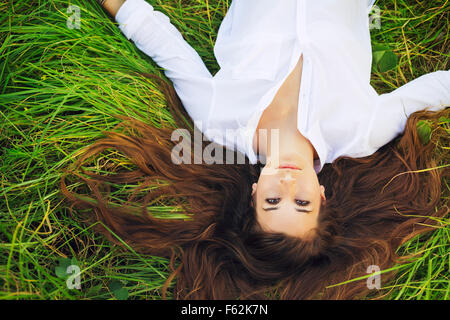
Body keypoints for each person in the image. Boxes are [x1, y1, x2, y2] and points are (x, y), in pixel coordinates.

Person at [60, 0, 450, 299]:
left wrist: (120, 6)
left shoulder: (218, 121)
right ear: (324, 197)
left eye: (273, 200)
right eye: (301, 204)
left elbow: (170, 51)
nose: (287, 184)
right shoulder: (361, 133)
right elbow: (435, 89)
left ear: (252, 195)